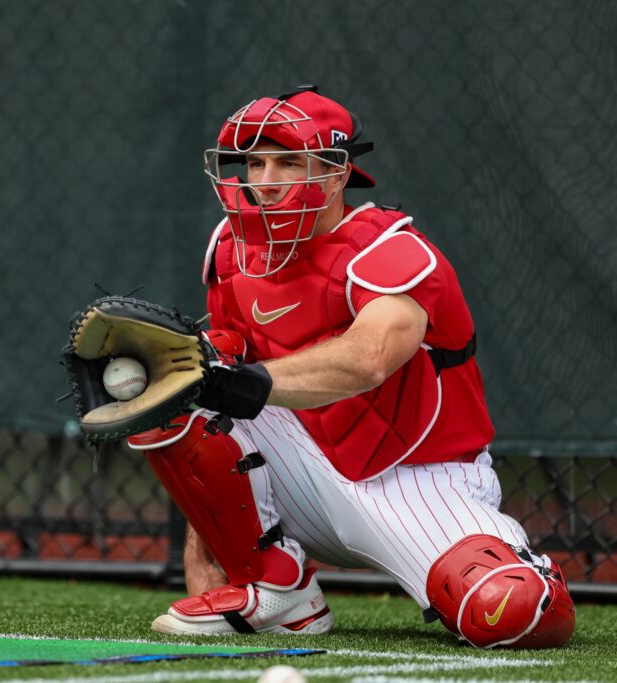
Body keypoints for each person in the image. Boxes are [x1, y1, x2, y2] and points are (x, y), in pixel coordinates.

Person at [126, 86, 575, 648]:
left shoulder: (390, 251)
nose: (264, 180)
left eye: (288, 161)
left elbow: (369, 359)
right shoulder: (229, 249)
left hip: (412, 478)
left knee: (516, 612)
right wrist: (209, 542)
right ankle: (276, 590)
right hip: (301, 475)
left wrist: (242, 382)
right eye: (254, 162)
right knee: (170, 383)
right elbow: (222, 384)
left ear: (337, 174)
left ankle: (512, 559)